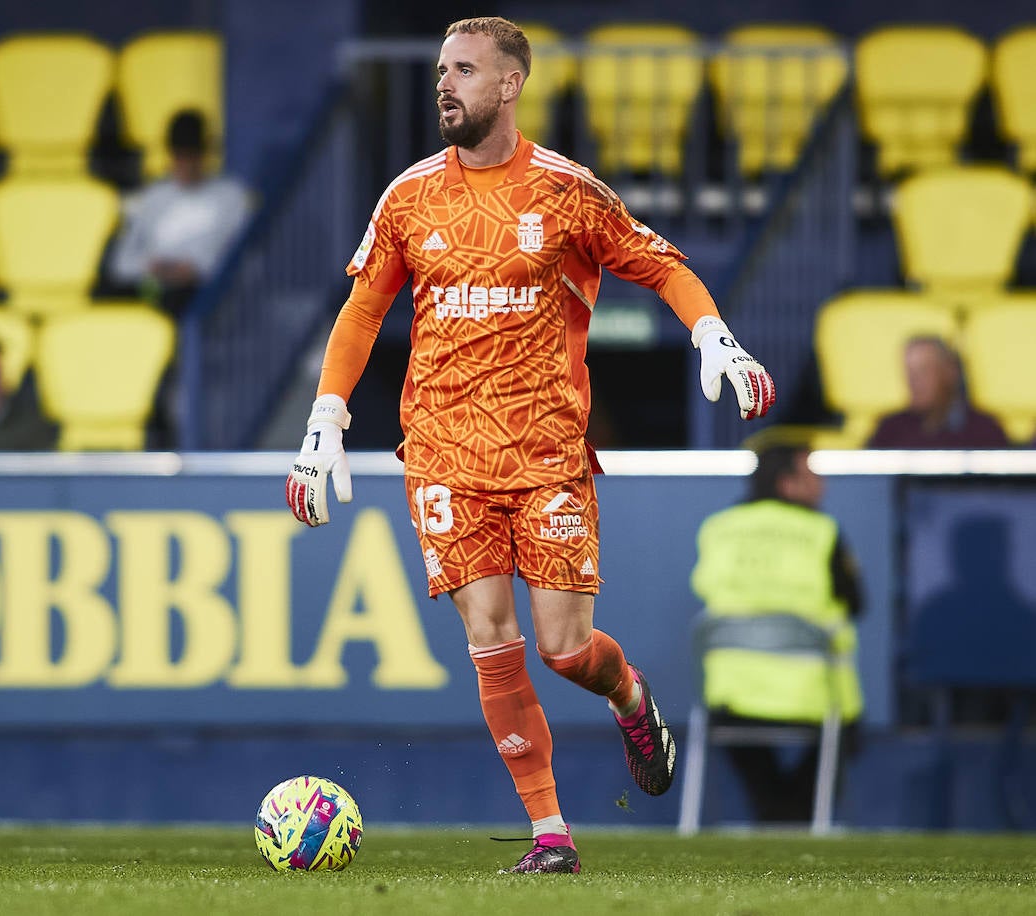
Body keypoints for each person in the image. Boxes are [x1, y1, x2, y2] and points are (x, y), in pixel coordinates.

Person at [283, 17, 776, 874]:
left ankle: (626, 693)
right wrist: (326, 418)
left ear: (508, 86)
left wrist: (712, 336)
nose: (446, 84)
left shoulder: (564, 191)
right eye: (441, 69)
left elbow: (659, 263)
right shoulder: (407, 198)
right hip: (441, 448)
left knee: (563, 648)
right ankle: (551, 834)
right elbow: (364, 310)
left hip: (546, 451)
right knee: (491, 637)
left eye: (465, 70)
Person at [689, 445, 865, 824]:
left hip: (731, 693)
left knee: (741, 739)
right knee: (847, 733)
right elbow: (856, 601)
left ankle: (772, 810)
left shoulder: (718, 528)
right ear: (788, 484)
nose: (823, 483)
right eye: (812, 473)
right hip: (813, 695)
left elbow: (704, 589)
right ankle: (793, 816)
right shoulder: (821, 531)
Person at [105, 108, 253, 319]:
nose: (186, 164)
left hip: (207, 295)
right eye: (179, 156)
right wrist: (150, 266)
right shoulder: (153, 196)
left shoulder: (232, 197)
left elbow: (244, 258)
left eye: (192, 155)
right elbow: (120, 263)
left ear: (205, 153)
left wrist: (197, 269)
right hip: (153, 290)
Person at [865, 335, 1008, 449]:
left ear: (950, 372)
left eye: (923, 371)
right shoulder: (889, 430)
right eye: (909, 372)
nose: (913, 381)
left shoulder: (985, 431)